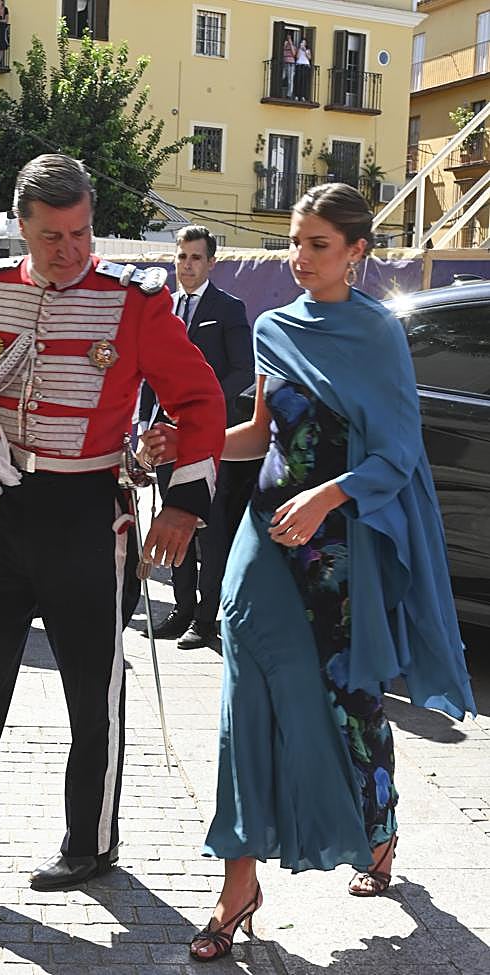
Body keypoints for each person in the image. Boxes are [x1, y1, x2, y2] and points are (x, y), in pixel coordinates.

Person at [0, 152, 225, 899]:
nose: (70, 250)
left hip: (88, 510)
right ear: (21, 228)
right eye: (52, 236)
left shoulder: (134, 301)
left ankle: (88, 843)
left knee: (91, 690)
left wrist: (187, 504)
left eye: (81, 232)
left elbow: (199, 398)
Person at [142, 182, 476, 962]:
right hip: (263, 537)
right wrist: (184, 445)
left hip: (338, 550)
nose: (300, 258)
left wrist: (328, 498)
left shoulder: (377, 337)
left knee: (351, 703)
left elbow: (397, 453)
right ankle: (237, 885)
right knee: (243, 701)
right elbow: (259, 434)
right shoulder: (273, 326)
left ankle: (379, 830)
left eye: (318, 245)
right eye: (295, 241)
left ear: (358, 252)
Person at [138, 225, 255, 650]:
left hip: (207, 439)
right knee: (171, 518)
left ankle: (206, 620)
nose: (187, 265)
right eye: (182, 257)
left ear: (211, 262)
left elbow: (243, 369)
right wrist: (141, 426)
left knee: (208, 528)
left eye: (195, 258)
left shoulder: (228, 308)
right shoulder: (161, 308)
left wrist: (200, 412)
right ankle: (180, 609)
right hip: (167, 438)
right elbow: (150, 373)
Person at [293, 37, 312, 101]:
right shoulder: (299, 50)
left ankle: (303, 96)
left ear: (306, 44)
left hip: (305, 66)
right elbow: (297, 57)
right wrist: (299, 50)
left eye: (304, 43)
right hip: (299, 65)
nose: (302, 44)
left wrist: (305, 51)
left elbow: (309, 58)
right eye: (302, 42)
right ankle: (296, 95)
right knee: (298, 81)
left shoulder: (308, 50)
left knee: (304, 82)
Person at [282, 32, 296, 97]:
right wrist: (284, 45)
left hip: (291, 64)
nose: (288, 39)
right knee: (283, 77)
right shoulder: (285, 45)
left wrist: (290, 43)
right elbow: (282, 53)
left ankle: (289, 95)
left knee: (290, 80)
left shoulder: (293, 46)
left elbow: (294, 54)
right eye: (287, 38)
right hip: (284, 63)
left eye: (289, 37)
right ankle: (281, 92)